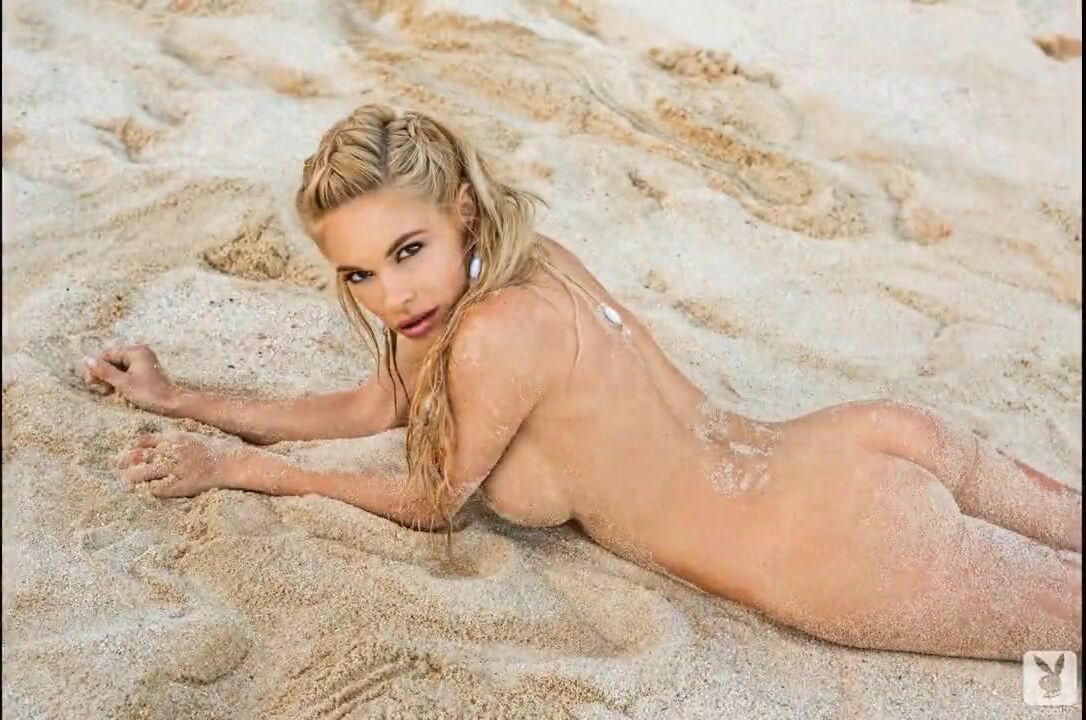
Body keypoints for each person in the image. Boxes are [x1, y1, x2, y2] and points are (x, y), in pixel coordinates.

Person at [84, 104, 1081, 662]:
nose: (392, 295)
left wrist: (239, 470)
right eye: (360, 274)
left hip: (838, 545)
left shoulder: (492, 337)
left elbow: (431, 502)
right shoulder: (526, 262)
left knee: (1065, 659)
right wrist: (187, 399)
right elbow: (374, 406)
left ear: (460, 211)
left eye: (407, 250)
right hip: (862, 441)